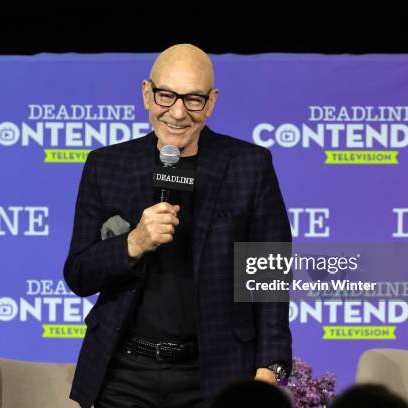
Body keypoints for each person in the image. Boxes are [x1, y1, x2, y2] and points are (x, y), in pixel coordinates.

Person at [63, 43, 292, 408]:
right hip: (123, 373)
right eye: (166, 96)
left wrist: (269, 367)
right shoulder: (106, 166)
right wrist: (132, 243)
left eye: (194, 100)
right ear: (146, 93)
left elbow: (270, 275)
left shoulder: (249, 166)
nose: (178, 112)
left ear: (212, 101)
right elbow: (78, 274)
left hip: (215, 374)